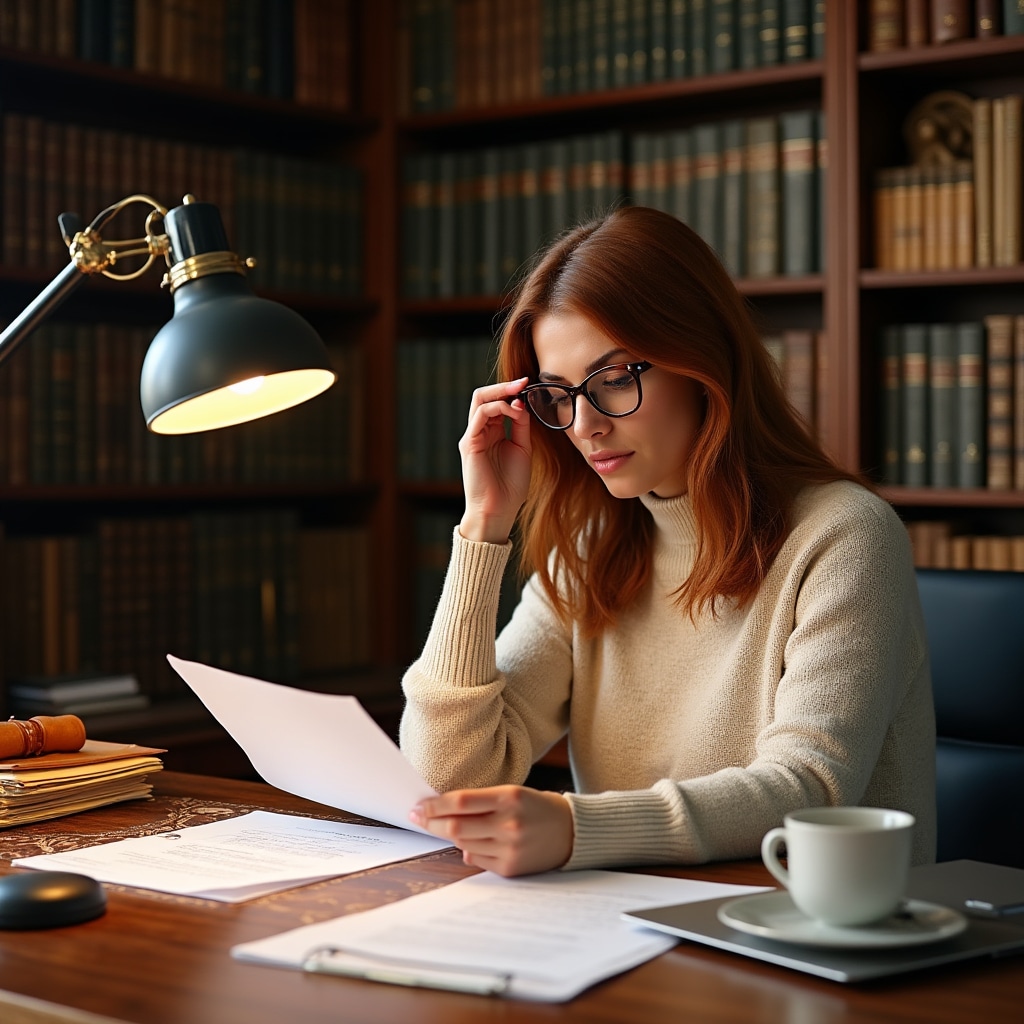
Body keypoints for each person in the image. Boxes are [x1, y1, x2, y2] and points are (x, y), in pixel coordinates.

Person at [401, 206, 936, 877]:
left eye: (616, 378)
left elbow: (811, 790)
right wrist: (483, 524)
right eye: (559, 395)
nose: (585, 425)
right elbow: (444, 777)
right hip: (631, 927)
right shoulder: (591, 547)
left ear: (700, 358)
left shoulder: (844, 536)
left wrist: (575, 827)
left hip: (811, 940)